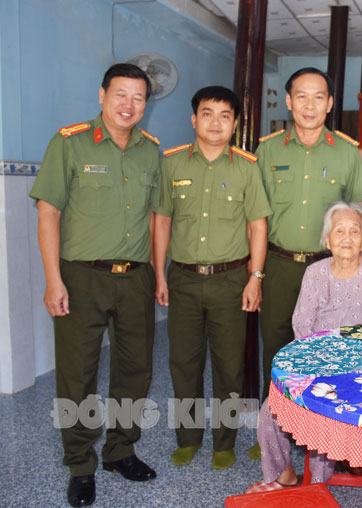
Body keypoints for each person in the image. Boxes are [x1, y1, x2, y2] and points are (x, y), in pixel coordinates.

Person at [30, 63, 160, 507]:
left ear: (146, 104)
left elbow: (158, 218)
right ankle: (81, 463)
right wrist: (53, 280)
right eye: (120, 94)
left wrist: (158, 276)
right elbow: (48, 213)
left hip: (136, 279)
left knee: (135, 371)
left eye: (138, 97)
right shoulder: (69, 143)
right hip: (81, 277)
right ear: (102, 95)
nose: (129, 105)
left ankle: (120, 451)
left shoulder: (150, 151)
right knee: (77, 374)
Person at [250, 67, 362, 459]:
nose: (309, 104)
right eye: (301, 96)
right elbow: (255, 215)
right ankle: (274, 436)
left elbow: (359, 211)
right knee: (278, 348)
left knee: (328, 350)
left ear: (330, 103)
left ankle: (322, 438)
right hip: (280, 263)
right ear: (288, 101)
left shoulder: (345, 151)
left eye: (318, 96)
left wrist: (357, 272)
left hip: (329, 268)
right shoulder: (267, 149)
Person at [153, 86, 270, 470]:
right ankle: (187, 439)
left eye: (224, 115)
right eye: (207, 114)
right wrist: (160, 274)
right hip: (184, 279)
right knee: (183, 363)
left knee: (228, 364)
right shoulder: (172, 164)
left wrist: (255, 277)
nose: (215, 122)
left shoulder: (246, 166)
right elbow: (163, 221)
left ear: (235, 123)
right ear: (194, 119)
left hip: (230, 280)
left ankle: (224, 442)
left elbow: (257, 226)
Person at [247, 202, 362, 492]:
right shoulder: (315, 273)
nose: (347, 238)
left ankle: (318, 486)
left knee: (326, 411)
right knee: (270, 410)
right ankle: (283, 474)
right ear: (327, 240)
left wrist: (357, 364)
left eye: (355, 231)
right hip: (316, 365)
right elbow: (302, 324)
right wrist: (322, 366)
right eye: (339, 231)